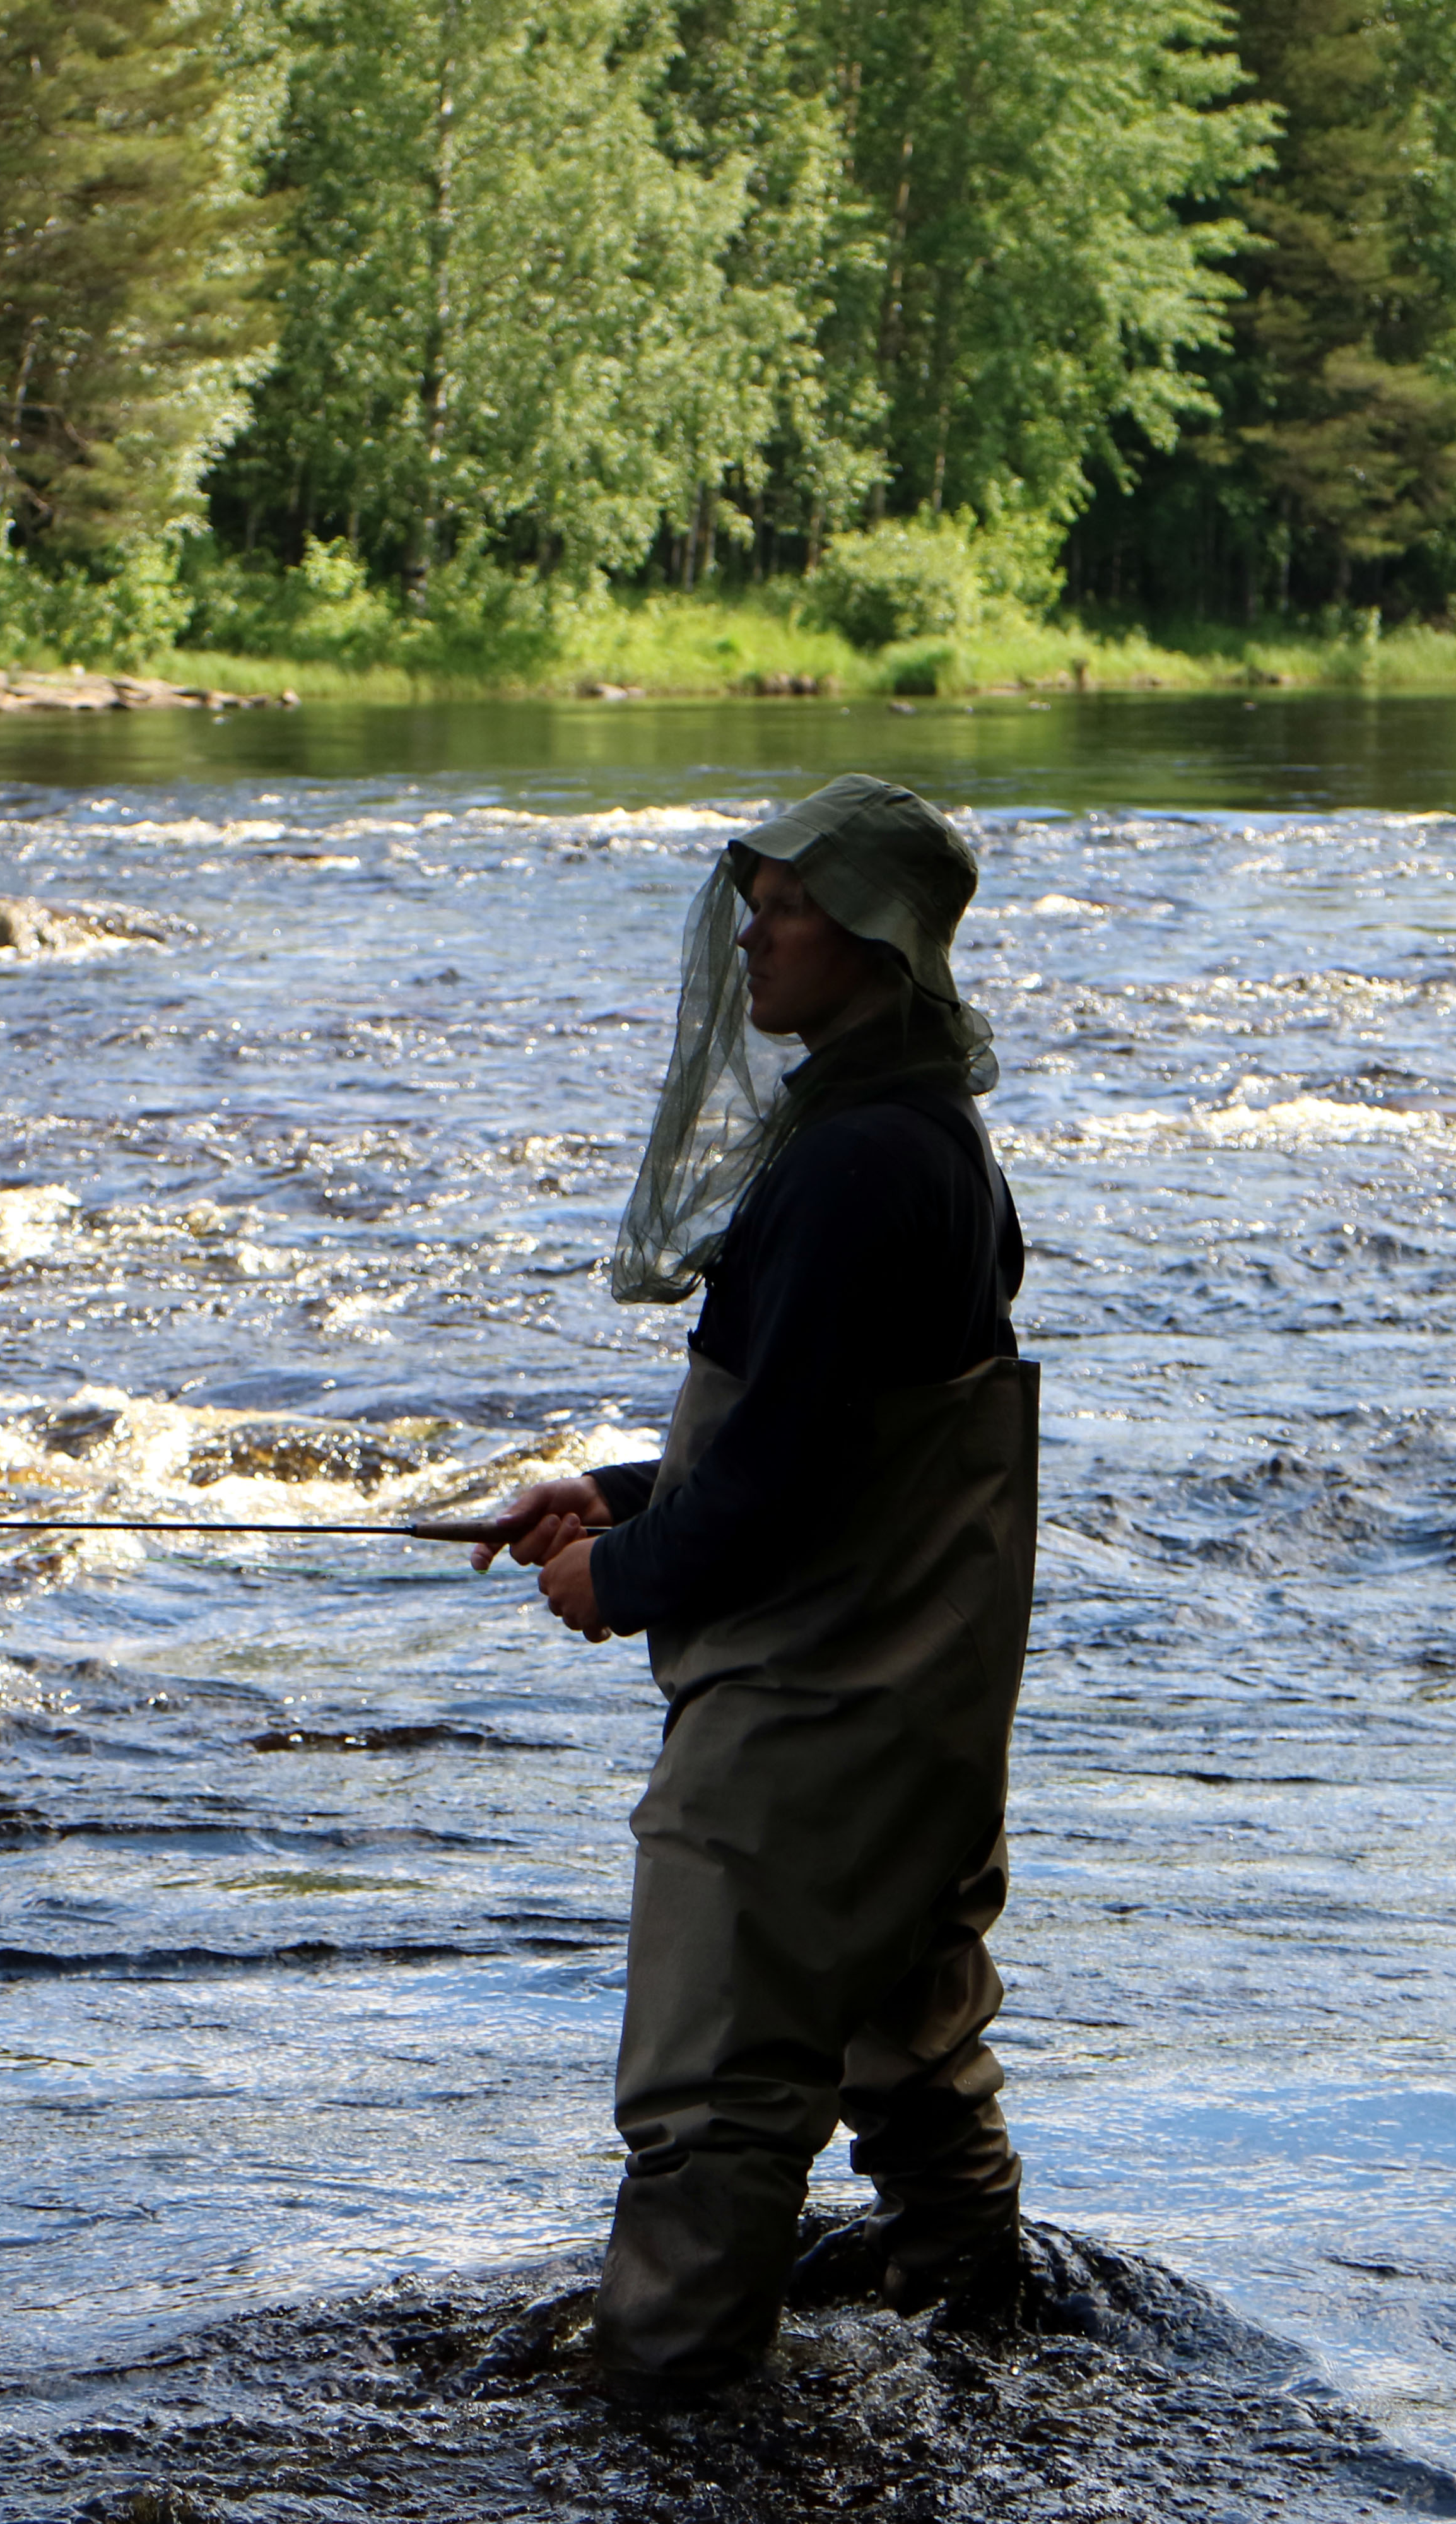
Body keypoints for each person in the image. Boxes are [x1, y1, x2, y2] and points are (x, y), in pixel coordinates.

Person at [476, 772, 1038, 2403]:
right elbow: (847, 1433)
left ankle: (671, 2425)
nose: (756, 936)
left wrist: (625, 1574)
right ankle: (982, 2334)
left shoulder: (862, 1162)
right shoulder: (924, 1139)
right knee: (913, 2044)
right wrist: (621, 1493)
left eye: (791, 910)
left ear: (878, 947)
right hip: (919, 1724)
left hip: (811, 1718)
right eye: (757, 902)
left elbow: (787, 1476)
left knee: (715, 2098)